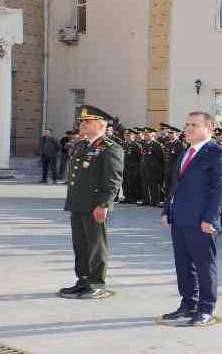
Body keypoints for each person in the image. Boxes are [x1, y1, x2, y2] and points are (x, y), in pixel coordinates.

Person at [160, 111, 222, 326]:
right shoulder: (186, 151)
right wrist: (167, 210)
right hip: (180, 218)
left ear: (209, 130)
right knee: (183, 265)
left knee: (204, 265)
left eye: (194, 125)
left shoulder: (219, 154)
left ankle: (205, 308)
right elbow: (175, 184)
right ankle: (188, 304)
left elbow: (221, 190)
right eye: (187, 124)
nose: (188, 129)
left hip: (202, 221)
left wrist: (210, 219)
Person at [59, 108, 124, 299]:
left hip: (95, 204)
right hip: (78, 203)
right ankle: (83, 280)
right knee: (80, 245)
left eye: (87, 122)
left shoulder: (110, 148)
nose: (82, 125)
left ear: (101, 125)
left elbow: (113, 180)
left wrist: (104, 204)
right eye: (82, 122)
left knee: (96, 244)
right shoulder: (81, 145)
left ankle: (96, 282)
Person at [140, 128, 165, 207]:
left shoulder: (157, 145)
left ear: (153, 135)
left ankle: (155, 201)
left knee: (154, 185)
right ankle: (146, 200)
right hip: (144, 168)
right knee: (145, 185)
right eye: (145, 134)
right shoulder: (144, 144)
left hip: (153, 169)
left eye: (147, 135)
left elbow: (160, 158)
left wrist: (157, 168)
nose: (145, 136)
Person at [122, 129, 143, 204]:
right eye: (126, 135)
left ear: (133, 135)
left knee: (133, 184)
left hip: (133, 168)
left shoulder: (136, 145)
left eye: (128, 135)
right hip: (125, 167)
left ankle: (133, 198)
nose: (127, 136)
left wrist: (137, 169)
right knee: (125, 183)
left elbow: (140, 158)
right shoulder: (124, 144)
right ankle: (127, 197)